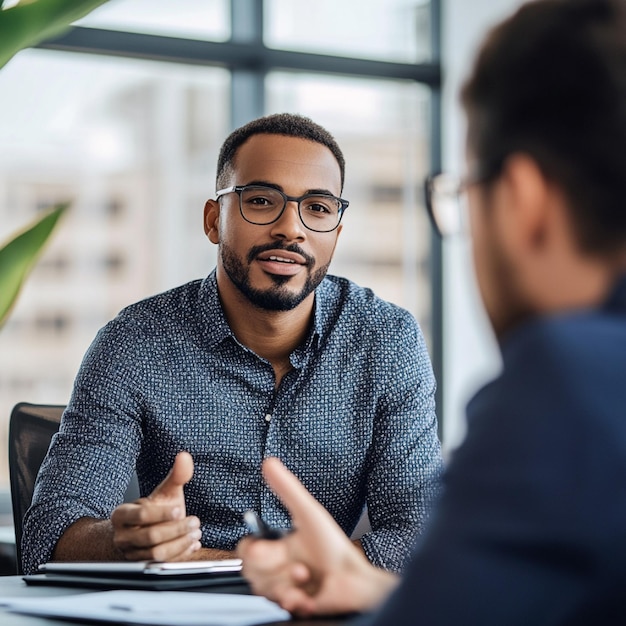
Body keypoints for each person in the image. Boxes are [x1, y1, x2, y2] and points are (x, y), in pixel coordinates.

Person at [237, 0, 626, 623]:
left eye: (464, 194)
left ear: (523, 204)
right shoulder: (136, 338)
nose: (291, 229)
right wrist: (383, 593)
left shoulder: (570, 383)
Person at [21, 113, 443, 576]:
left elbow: (419, 534)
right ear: (212, 220)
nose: (291, 228)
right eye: (261, 201)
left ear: (336, 234)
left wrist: (244, 567)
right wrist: (121, 542)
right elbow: (46, 537)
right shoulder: (135, 343)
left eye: (318, 208)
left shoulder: (386, 341)